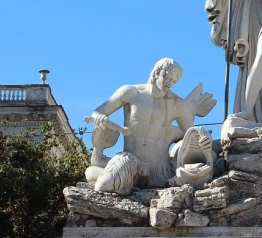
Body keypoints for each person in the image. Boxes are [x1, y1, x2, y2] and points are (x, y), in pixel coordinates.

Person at [88, 58, 213, 192]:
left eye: (174, 81)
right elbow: (98, 112)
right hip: (131, 160)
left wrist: (206, 140)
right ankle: (101, 172)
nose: (170, 84)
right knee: (104, 185)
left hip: (160, 168)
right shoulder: (131, 92)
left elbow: (193, 133)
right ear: (157, 72)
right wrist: (99, 118)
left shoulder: (177, 104)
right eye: (168, 78)